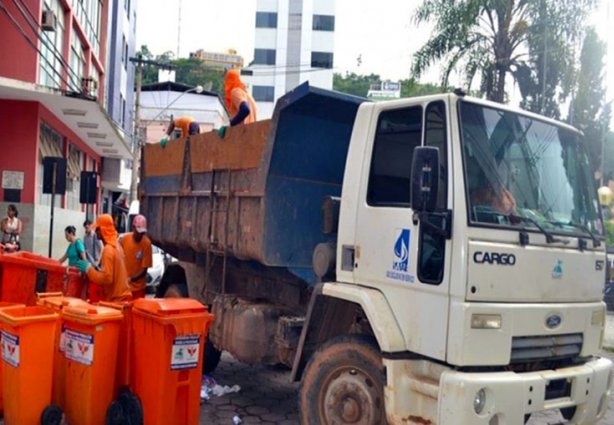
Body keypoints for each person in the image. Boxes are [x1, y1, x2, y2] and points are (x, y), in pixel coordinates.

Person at [75, 214, 132, 302]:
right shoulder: (117, 246)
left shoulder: (108, 249)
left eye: (97, 229)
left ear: (102, 230)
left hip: (117, 300)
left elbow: (107, 278)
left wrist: (89, 270)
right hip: (122, 297)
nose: (96, 231)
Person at [120, 214, 153, 299]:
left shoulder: (147, 243)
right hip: (124, 287)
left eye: (142, 233)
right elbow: (119, 259)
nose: (140, 235)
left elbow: (144, 269)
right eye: (139, 232)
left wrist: (131, 279)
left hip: (139, 289)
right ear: (133, 228)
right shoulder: (125, 239)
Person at [218, 69, 257, 138]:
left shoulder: (235, 91)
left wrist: (230, 124)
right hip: (252, 135)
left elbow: (245, 110)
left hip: (242, 136)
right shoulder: (249, 96)